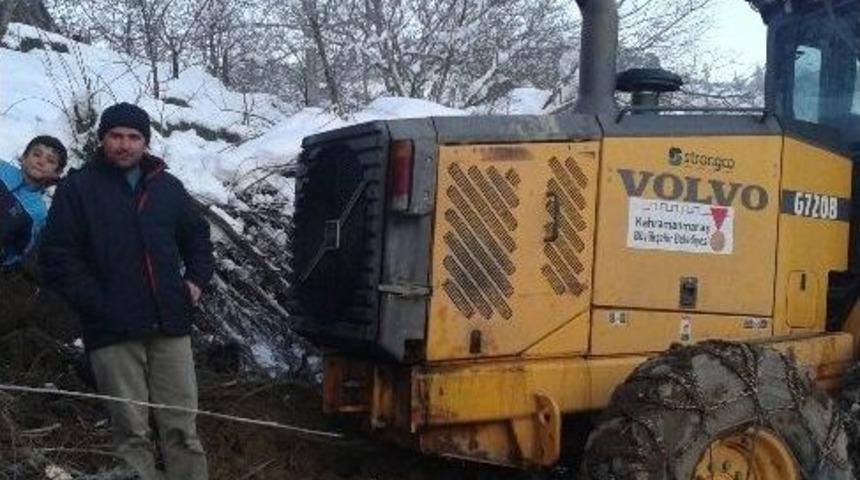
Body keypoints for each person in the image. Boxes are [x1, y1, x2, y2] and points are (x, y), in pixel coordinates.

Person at [39, 102, 214, 480]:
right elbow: (56, 256)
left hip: (170, 323)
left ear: (145, 143)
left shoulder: (167, 187)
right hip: (112, 330)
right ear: (102, 139)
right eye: (116, 136)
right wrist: (99, 303)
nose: (125, 144)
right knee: (131, 434)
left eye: (134, 137)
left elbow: (197, 237)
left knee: (182, 429)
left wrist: (195, 281)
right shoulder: (79, 187)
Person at [0, 135, 67, 269]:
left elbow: (21, 248)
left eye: (50, 160)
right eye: (36, 154)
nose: (41, 162)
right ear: (24, 157)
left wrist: (5, 256)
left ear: (57, 173)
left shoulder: (38, 212)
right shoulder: (1, 169)